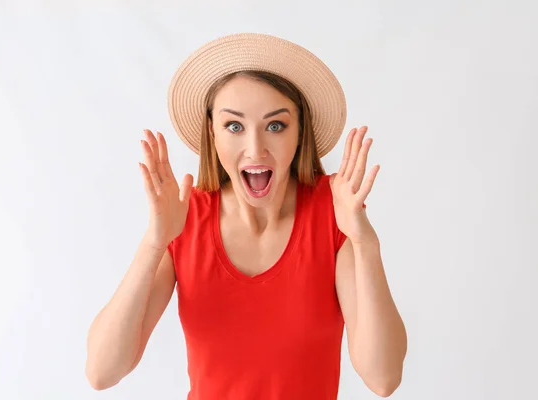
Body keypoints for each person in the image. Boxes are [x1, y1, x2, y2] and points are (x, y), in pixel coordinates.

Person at [85, 33, 407, 399]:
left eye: (275, 125)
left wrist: (365, 242)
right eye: (234, 126)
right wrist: (155, 241)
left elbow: (383, 378)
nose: (255, 149)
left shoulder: (333, 212)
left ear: (300, 132)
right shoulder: (184, 219)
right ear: (213, 133)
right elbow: (101, 372)